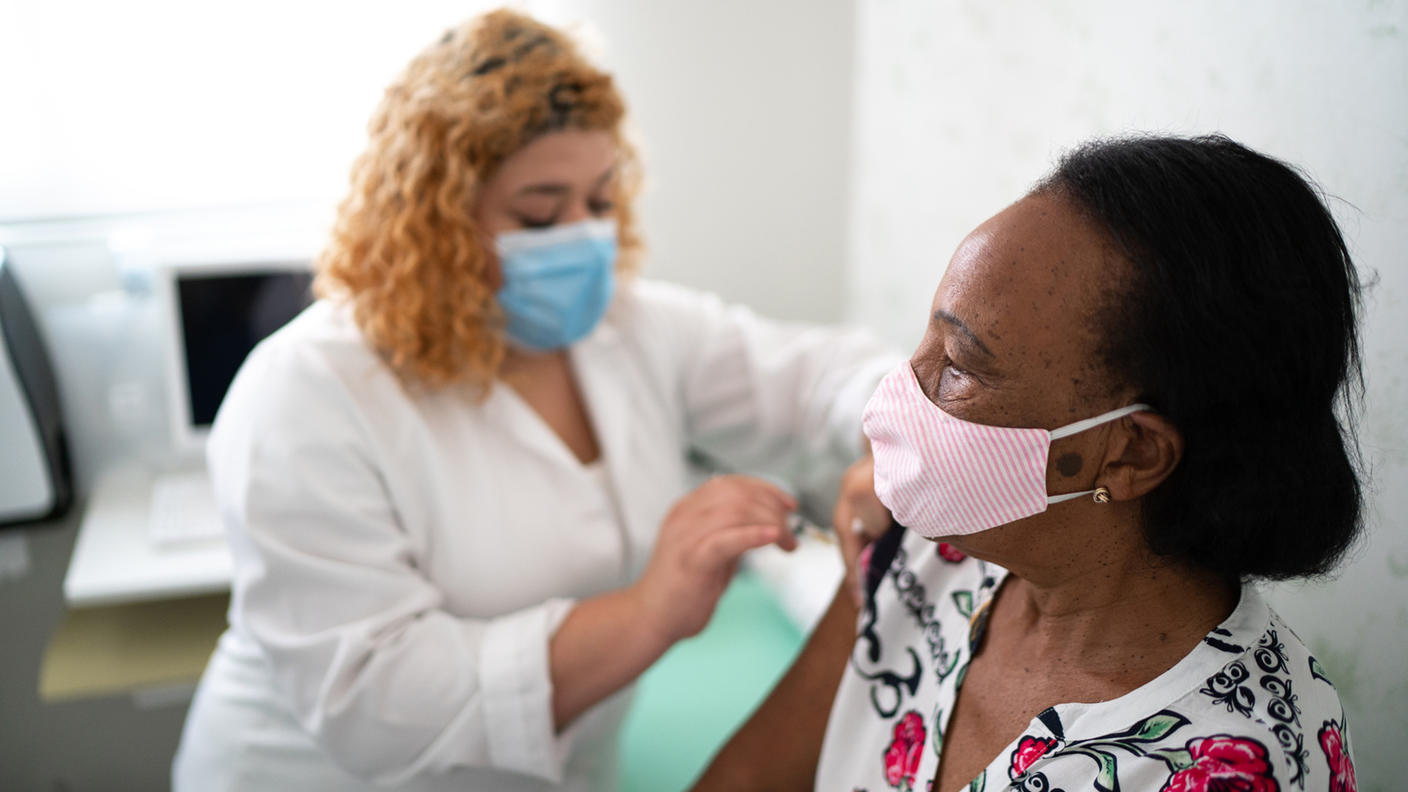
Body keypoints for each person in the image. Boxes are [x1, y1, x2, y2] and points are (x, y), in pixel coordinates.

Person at [171, 9, 894, 791]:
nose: (582, 235)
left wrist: (914, 437)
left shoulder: (630, 330)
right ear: (436, 222)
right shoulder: (308, 391)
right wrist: (649, 612)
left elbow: (821, 378)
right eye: (540, 213)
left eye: (601, 201)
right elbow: (378, 703)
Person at [694, 134, 1363, 791]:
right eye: (928, 337)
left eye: (959, 367)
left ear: (1131, 453)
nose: (897, 393)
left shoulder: (1231, 766)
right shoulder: (930, 554)